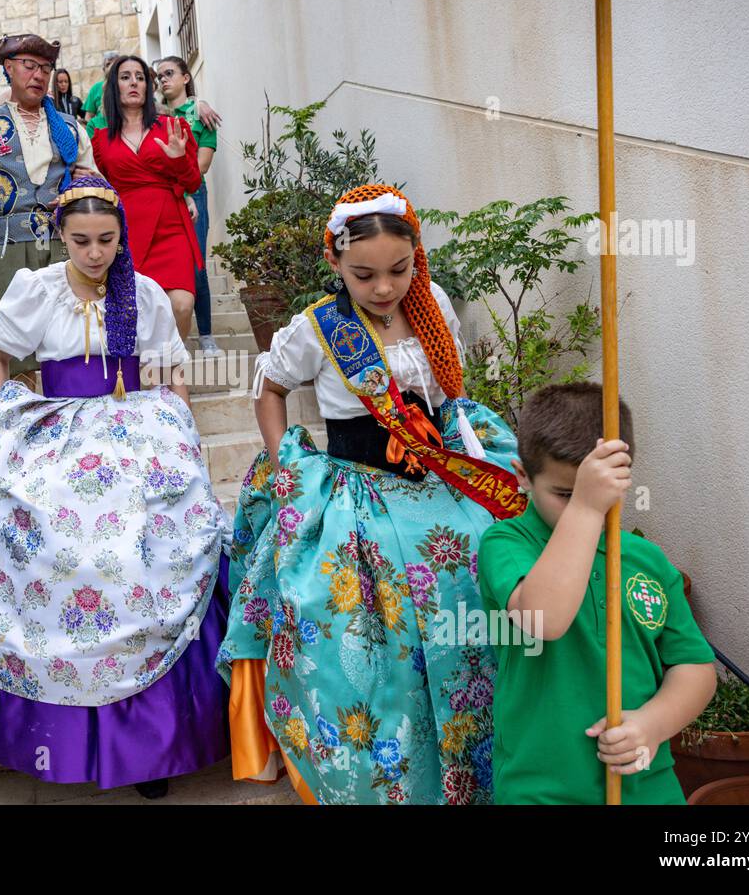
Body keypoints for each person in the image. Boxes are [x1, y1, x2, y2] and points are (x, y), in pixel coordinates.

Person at [0, 174, 232, 799]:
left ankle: (152, 746)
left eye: (106, 240)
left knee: (144, 547)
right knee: (52, 542)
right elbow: (1, 355)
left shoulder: (143, 295)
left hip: (133, 428)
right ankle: (38, 724)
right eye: (81, 240)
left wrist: (177, 430)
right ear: (60, 234)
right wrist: (2, 415)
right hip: (57, 427)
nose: (94, 253)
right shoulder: (36, 290)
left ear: (121, 237)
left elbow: (169, 375)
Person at [216, 184, 528, 804]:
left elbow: (446, 395)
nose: (385, 288)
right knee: (361, 624)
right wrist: (284, 463)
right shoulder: (316, 327)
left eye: (399, 270)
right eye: (365, 275)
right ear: (334, 262)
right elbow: (270, 389)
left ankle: (484, 752)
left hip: (442, 474)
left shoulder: (432, 303)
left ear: (417, 258)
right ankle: (387, 770)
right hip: (359, 490)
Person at [477, 383, 716, 804]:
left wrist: (651, 725)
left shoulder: (647, 560)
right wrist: (586, 508)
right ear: (522, 477)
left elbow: (694, 668)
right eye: (565, 494)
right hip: (542, 788)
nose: (579, 505)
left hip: (645, 787)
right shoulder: (507, 544)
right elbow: (544, 620)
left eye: (593, 492)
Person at [0, 32, 98, 388]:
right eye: (29, 66)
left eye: (45, 68)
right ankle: (18, 429)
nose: (38, 75)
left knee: (69, 338)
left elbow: (93, 184)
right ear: (8, 69)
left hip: (64, 248)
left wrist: (83, 185)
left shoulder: (70, 127)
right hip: (6, 247)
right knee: (15, 346)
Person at [91, 55, 203, 341]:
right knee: (134, 309)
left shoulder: (171, 127)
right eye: (126, 77)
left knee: (181, 304)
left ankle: (171, 367)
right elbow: (104, 185)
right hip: (127, 231)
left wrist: (179, 159)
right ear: (114, 86)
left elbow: (192, 181)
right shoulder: (101, 139)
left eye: (140, 77)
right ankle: (146, 374)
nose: (134, 83)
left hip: (170, 224)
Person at [156, 55, 220, 356]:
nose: (163, 80)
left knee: (197, 267)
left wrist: (198, 102)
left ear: (185, 77)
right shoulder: (153, 114)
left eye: (169, 73)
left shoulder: (200, 115)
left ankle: (205, 335)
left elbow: (202, 164)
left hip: (193, 194)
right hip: (161, 197)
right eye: (159, 76)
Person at [80, 51, 117, 139]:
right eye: (108, 64)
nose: (111, 67)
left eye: (115, 64)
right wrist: (92, 133)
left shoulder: (125, 86)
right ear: (104, 69)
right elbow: (88, 116)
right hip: (101, 133)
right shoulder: (96, 88)